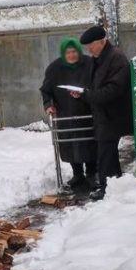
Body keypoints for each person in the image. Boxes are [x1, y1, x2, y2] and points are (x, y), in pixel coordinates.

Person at [70, 25, 133, 200]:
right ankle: (113, 184)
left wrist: (87, 95)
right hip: (104, 114)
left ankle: (107, 187)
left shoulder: (116, 58)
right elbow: (95, 84)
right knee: (107, 152)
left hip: (113, 114)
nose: (89, 50)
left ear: (102, 41)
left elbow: (113, 90)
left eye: (91, 45)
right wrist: (81, 93)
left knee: (105, 153)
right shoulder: (100, 59)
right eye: (87, 47)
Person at [40, 37, 98, 189]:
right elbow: (46, 90)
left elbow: (99, 84)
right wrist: (48, 105)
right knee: (71, 145)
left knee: (90, 143)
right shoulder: (54, 69)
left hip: (88, 112)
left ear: (79, 51)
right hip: (66, 113)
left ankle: (92, 173)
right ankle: (77, 174)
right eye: (68, 53)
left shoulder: (90, 64)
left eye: (74, 52)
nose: (71, 55)